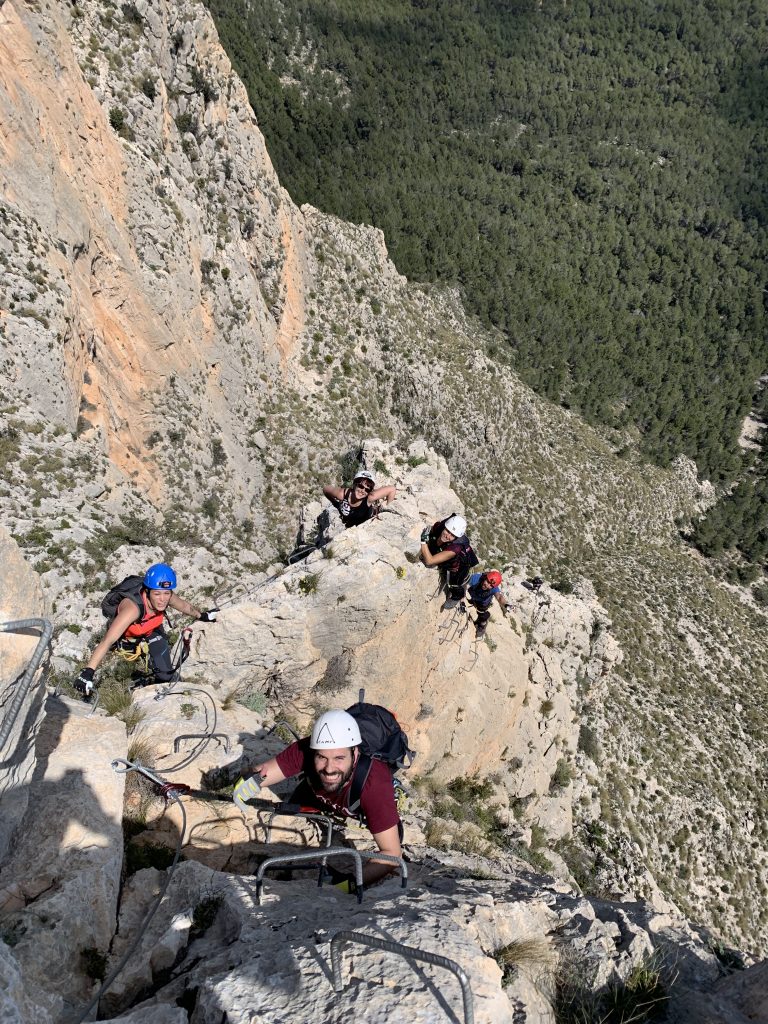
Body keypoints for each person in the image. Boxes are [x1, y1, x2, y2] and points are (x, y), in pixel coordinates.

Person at [233, 709, 401, 890]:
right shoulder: (306, 749)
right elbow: (265, 772)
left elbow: (392, 855)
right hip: (315, 796)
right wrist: (249, 782)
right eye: (322, 757)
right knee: (294, 807)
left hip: (357, 802)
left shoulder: (374, 786)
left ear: (355, 754)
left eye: (339, 758)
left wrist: (347, 886)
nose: (329, 768)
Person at [73, 563, 218, 699]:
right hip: (128, 636)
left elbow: (185, 607)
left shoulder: (165, 595)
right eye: (157, 594)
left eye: (166, 593)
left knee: (165, 675)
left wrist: (202, 616)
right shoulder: (132, 609)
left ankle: (161, 684)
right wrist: (88, 672)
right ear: (147, 591)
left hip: (151, 630)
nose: (162, 599)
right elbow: (107, 641)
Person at [420, 513, 478, 608]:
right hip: (446, 552)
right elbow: (433, 530)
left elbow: (429, 561)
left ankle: (457, 597)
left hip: (457, 569)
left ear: (456, 537)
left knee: (453, 584)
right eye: (447, 531)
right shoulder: (442, 526)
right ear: (445, 526)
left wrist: (423, 541)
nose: (448, 535)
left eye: (452, 535)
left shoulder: (455, 548)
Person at [322, 471, 396, 529]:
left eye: (367, 489)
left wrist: (387, 506)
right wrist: (335, 503)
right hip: (347, 524)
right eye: (360, 486)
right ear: (354, 485)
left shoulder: (370, 497)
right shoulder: (342, 494)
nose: (363, 491)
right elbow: (326, 489)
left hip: (364, 526)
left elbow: (392, 489)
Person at [467, 570, 512, 637]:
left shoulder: (494, 588)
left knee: (482, 615)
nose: (487, 585)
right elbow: (465, 583)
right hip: (472, 596)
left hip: (482, 603)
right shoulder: (476, 578)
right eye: (487, 581)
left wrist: (506, 604)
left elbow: (499, 597)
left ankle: (482, 626)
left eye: (491, 585)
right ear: (485, 577)